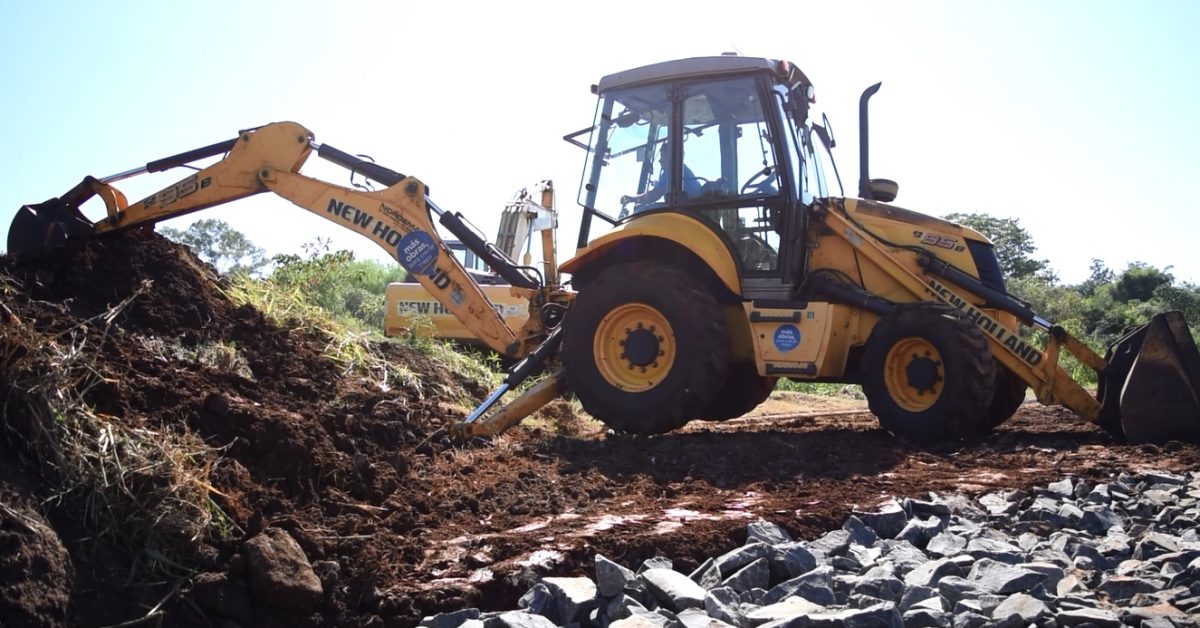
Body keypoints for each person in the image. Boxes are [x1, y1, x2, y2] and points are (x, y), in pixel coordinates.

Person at [619, 139, 702, 210]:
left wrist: (631, 199)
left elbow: (654, 195)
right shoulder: (681, 170)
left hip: (688, 212)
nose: (659, 160)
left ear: (670, 156)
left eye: (662, 156)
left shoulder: (672, 170)